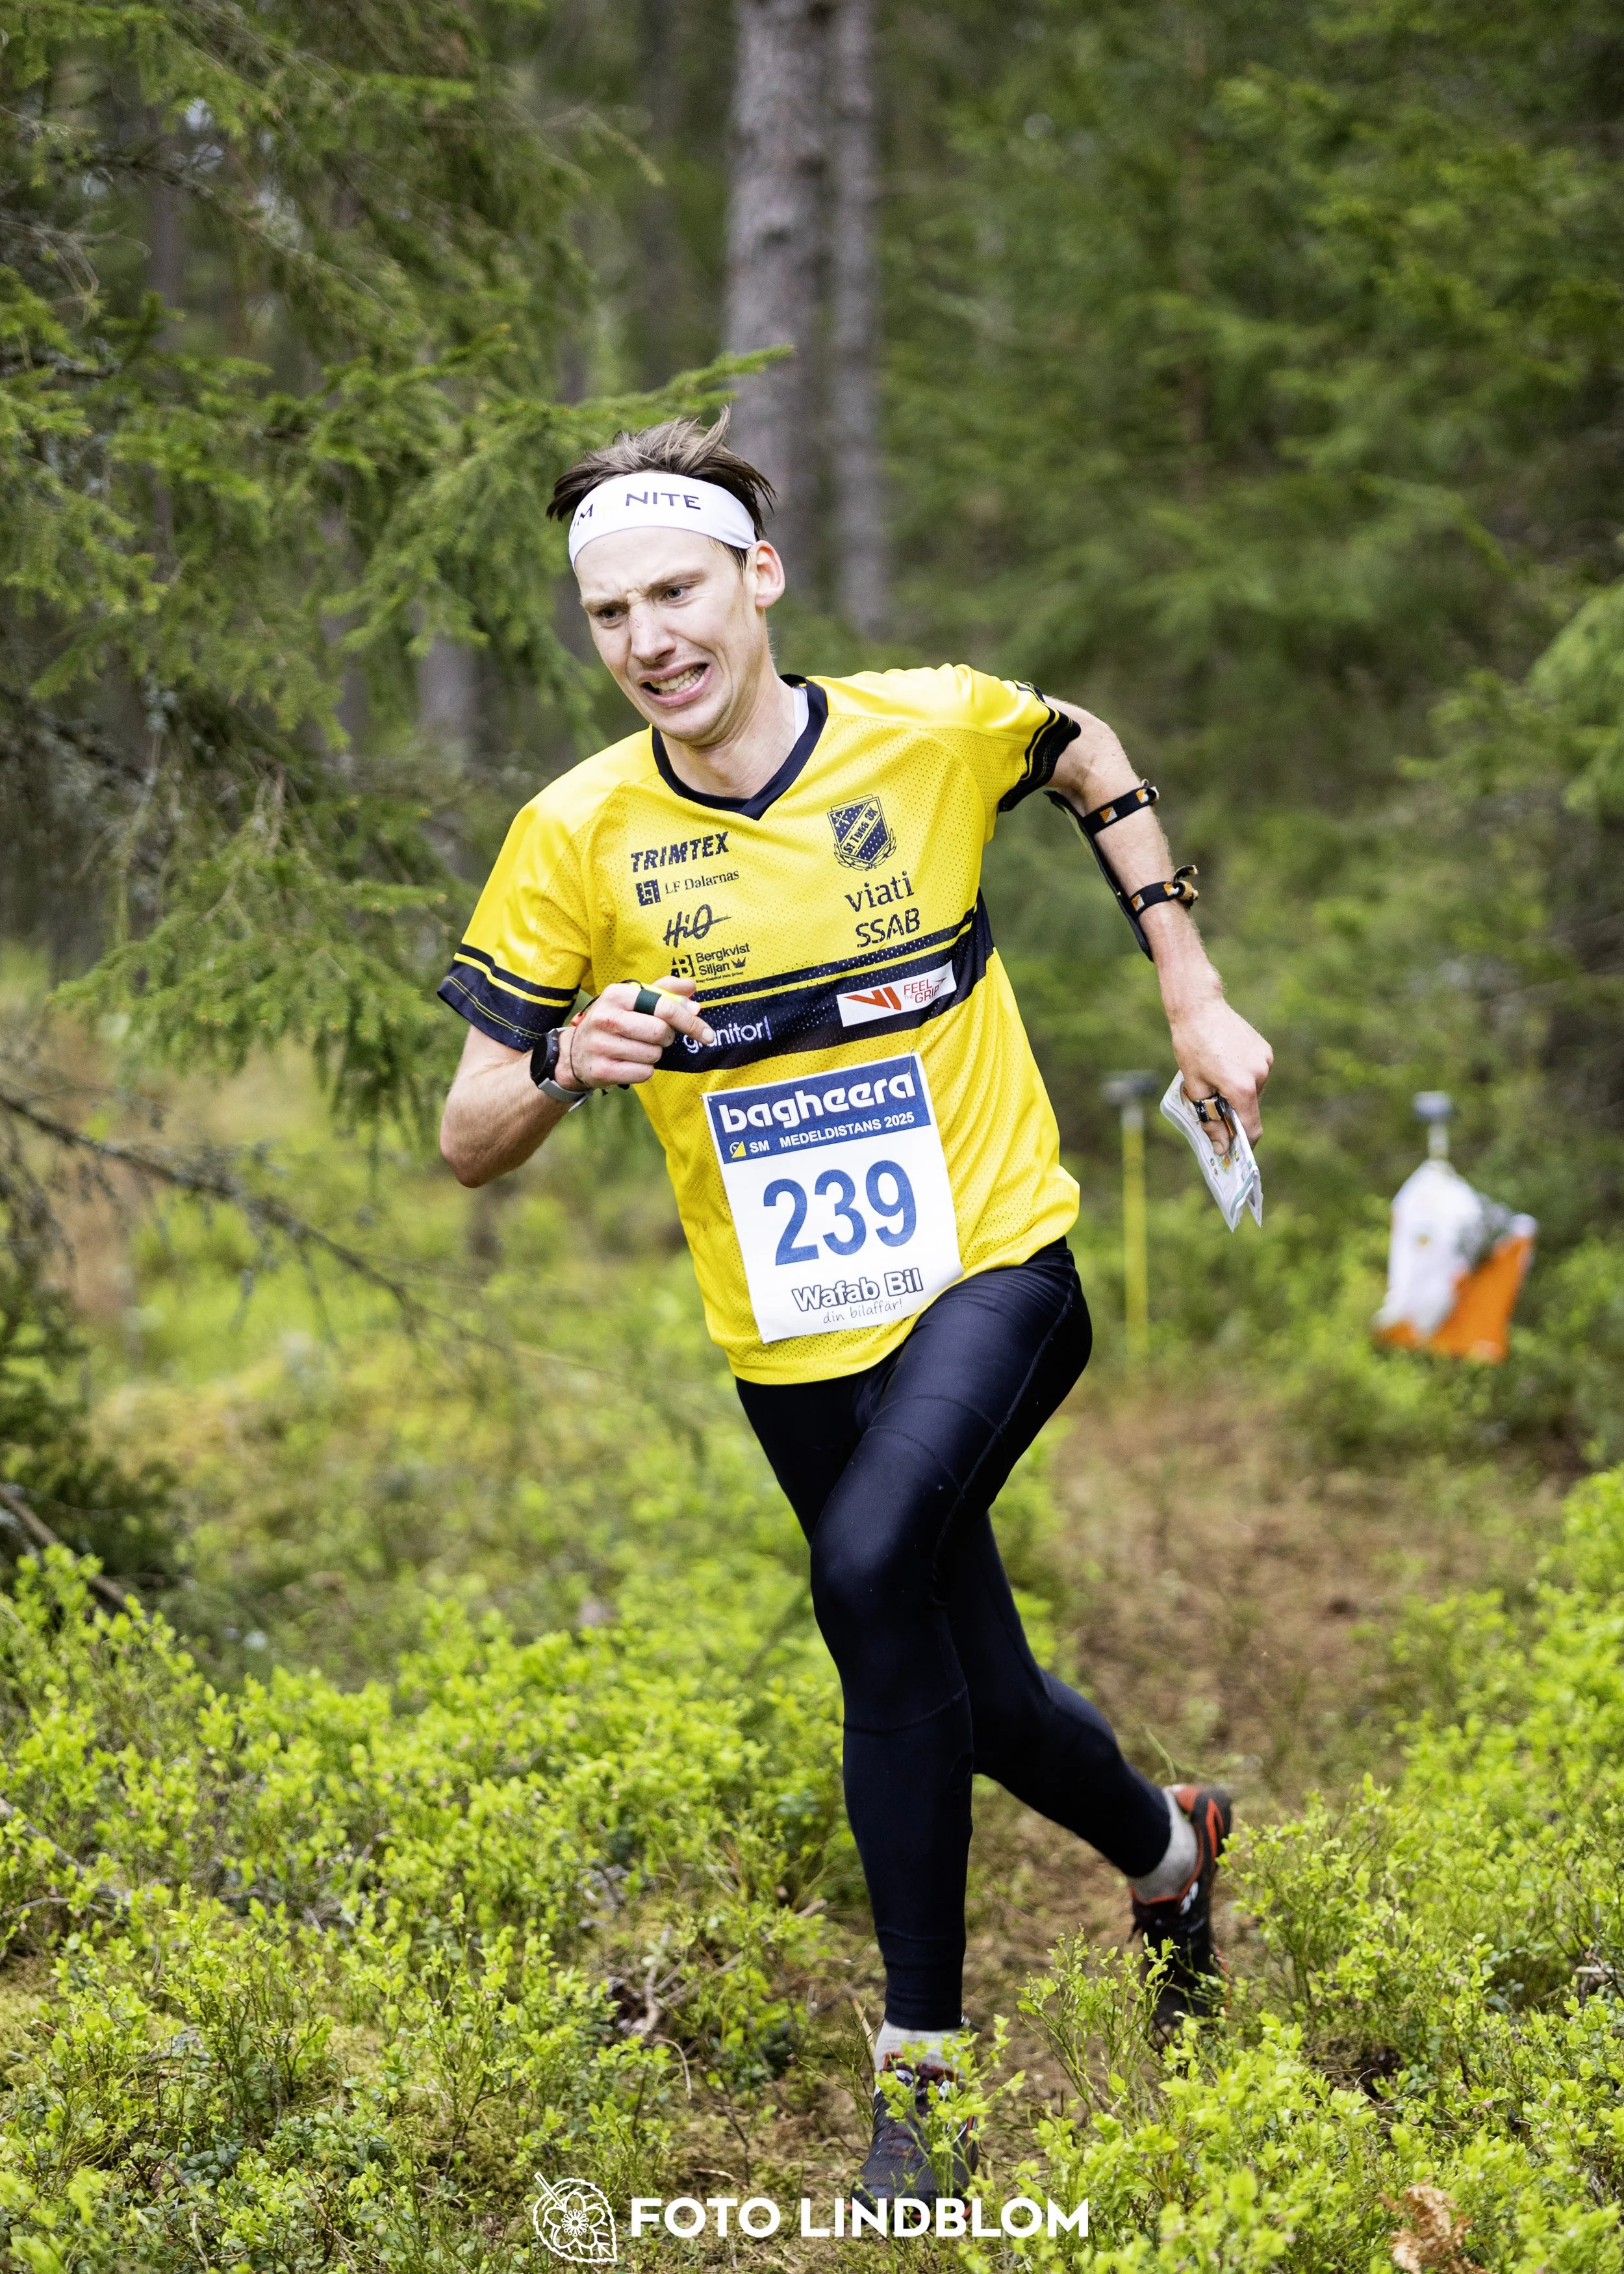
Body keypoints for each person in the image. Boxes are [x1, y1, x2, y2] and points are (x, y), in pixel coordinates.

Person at [437, 413, 1273, 2204]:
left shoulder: (928, 727)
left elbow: (1082, 748)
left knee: (870, 1573)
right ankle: (1168, 1845)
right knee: (973, 1687)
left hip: (995, 1263)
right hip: (793, 1337)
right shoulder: (575, 833)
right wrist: (567, 1062)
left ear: (759, 577)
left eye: (677, 592)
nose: (649, 639)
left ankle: (921, 2091)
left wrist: (1190, 990)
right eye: (610, 613)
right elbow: (465, 1135)